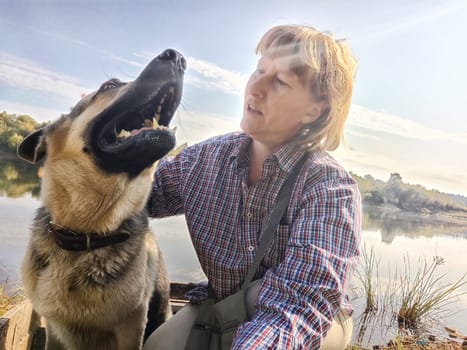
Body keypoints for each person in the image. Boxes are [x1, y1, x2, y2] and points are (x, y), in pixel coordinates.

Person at [143, 24, 361, 350]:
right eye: (259, 70)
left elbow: (299, 305)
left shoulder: (331, 189)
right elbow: (141, 196)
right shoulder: (204, 159)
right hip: (226, 303)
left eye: (280, 82)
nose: (255, 88)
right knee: (158, 346)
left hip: (310, 319)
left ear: (315, 109)